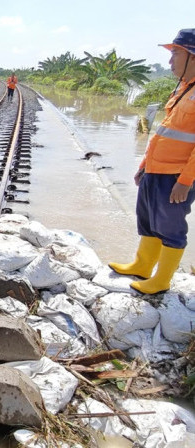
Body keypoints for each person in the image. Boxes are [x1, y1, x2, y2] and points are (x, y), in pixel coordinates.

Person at [109, 28, 195, 294]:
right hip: (156, 170)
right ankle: (142, 266)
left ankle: (161, 281)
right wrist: (144, 165)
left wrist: (185, 181)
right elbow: (163, 133)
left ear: (192, 56)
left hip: (175, 176)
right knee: (147, 221)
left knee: (169, 227)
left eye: (175, 54)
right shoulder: (182, 89)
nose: (170, 61)